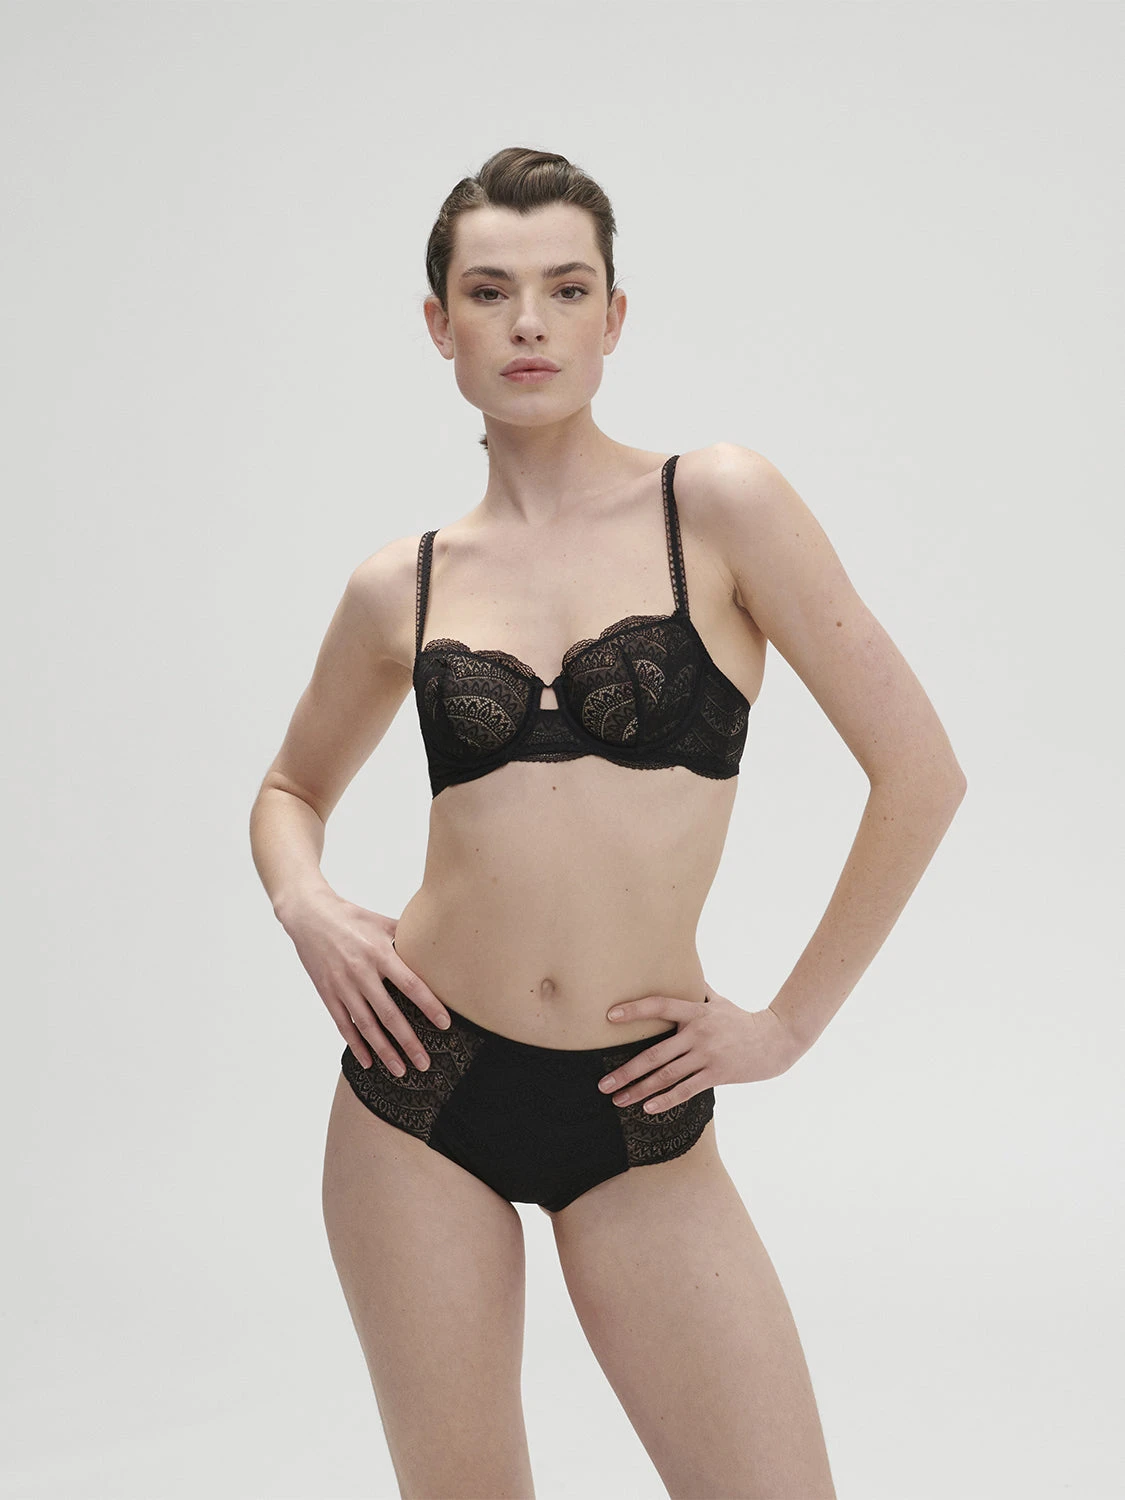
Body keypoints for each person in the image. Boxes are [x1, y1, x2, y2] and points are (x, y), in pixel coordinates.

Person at [249, 145, 966, 1499]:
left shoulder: (722, 505)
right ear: (439, 325)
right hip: (418, 1093)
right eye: (490, 291)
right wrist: (308, 905)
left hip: (639, 1103)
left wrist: (789, 1025)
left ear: (613, 317)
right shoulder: (400, 585)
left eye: (567, 289)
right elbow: (288, 792)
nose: (529, 321)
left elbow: (921, 773)